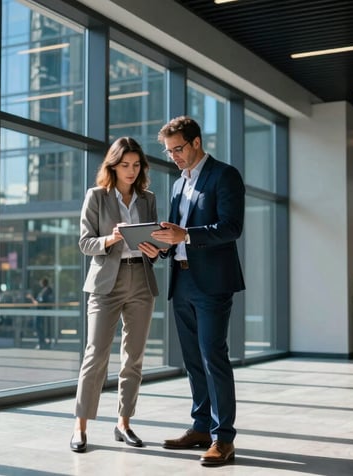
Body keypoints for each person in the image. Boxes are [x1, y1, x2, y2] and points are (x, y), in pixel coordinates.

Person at [150, 116, 245, 467]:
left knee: (213, 357)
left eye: (178, 149)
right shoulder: (179, 185)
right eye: (169, 151)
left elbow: (231, 228)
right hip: (183, 279)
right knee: (192, 361)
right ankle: (201, 426)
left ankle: (223, 438)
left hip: (213, 283)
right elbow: (174, 233)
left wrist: (186, 236)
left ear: (195, 143)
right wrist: (159, 245)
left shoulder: (224, 175)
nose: (173, 156)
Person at [70, 137, 160, 453]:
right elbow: (84, 243)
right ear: (113, 165)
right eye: (125, 165)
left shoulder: (148, 199)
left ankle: (124, 423)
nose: (131, 171)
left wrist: (154, 249)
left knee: (133, 357)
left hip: (141, 279)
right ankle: (80, 427)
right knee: (95, 355)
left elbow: (156, 245)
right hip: (105, 282)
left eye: (136, 165)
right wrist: (111, 238)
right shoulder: (96, 196)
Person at [26, 277, 54, 349]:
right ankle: (43, 342)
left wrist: (31, 298)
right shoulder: (45, 291)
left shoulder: (46, 291)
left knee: (39, 327)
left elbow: (38, 303)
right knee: (41, 327)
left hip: (42, 312)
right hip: (42, 312)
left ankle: (42, 342)